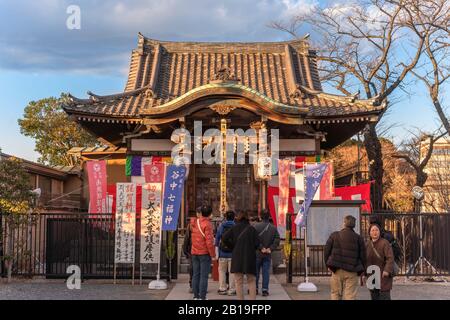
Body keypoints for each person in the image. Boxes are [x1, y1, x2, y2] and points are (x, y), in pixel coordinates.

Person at [324, 215, 366, 300]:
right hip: (352, 270)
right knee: (350, 295)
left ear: (344, 223)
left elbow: (326, 251)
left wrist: (328, 265)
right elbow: (363, 256)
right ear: (354, 225)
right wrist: (362, 270)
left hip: (336, 270)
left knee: (335, 293)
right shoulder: (359, 238)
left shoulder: (334, 235)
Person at [222, 210, 261, 300]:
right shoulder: (252, 229)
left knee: (238, 281)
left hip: (237, 256)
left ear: (238, 217)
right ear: (247, 218)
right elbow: (257, 243)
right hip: (250, 256)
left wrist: (232, 246)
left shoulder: (234, 228)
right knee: (251, 281)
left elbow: (224, 238)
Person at [190, 205, 216, 300]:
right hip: (204, 253)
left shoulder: (194, 222)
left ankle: (196, 296)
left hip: (194, 251)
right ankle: (202, 297)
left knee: (195, 274)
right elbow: (209, 242)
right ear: (209, 214)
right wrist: (213, 254)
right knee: (204, 276)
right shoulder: (207, 224)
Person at [253, 209, 280, 296]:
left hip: (257, 253)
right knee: (266, 272)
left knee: (255, 272)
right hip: (267, 254)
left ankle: (255, 289)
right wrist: (270, 249)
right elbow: (277, 239)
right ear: (269, 217)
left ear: (260, 216)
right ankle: (265, 289)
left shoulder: (255, 226)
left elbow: (253, 239)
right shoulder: (273, 228)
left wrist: (261, 248)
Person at [365, 223, 394, 300]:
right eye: (372, 230)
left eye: (376, 230)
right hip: (371, 274)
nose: (375, 232)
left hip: (383, 274)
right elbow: (364, 259)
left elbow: (390, 258)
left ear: (380, 232)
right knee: (374, 296)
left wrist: (387, 270)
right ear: (369, 233)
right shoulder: (367, 244)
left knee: (384, 296)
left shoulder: (385, 243)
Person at [214, 210, 236, 295]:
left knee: (222, 271)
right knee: (232, 272)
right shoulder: (236, 226)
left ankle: (222, 288)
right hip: (232, 254)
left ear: (225, 217)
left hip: (222, 252)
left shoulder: (221, 226)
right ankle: (232, 289)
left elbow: (217, 239)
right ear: (234, 217)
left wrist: (217, 252)